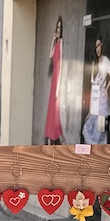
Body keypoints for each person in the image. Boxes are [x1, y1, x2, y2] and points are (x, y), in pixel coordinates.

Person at [82, 35, 110, 145]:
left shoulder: (106, 61)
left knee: (101, 127)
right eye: (96, 46)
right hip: (95, 97)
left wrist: (107, 88)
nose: (97, 48)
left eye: (99, 45)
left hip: (102, 97)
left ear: (102, 46)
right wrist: (90, 109)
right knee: (89, 126)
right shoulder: (94, 63)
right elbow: (93, 86)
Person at [42, 17, 65, 145]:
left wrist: (57, 87)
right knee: (51, 109)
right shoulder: (56, 43)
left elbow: (61, 64)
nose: (58, 30)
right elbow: (50, 55)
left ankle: (56, 135)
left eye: (60, 28)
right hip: (54, 79)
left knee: (55, 109)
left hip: (57, 77)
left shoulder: (61, 43)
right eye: (57, 27)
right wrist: (52, 39)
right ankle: (50, 134)